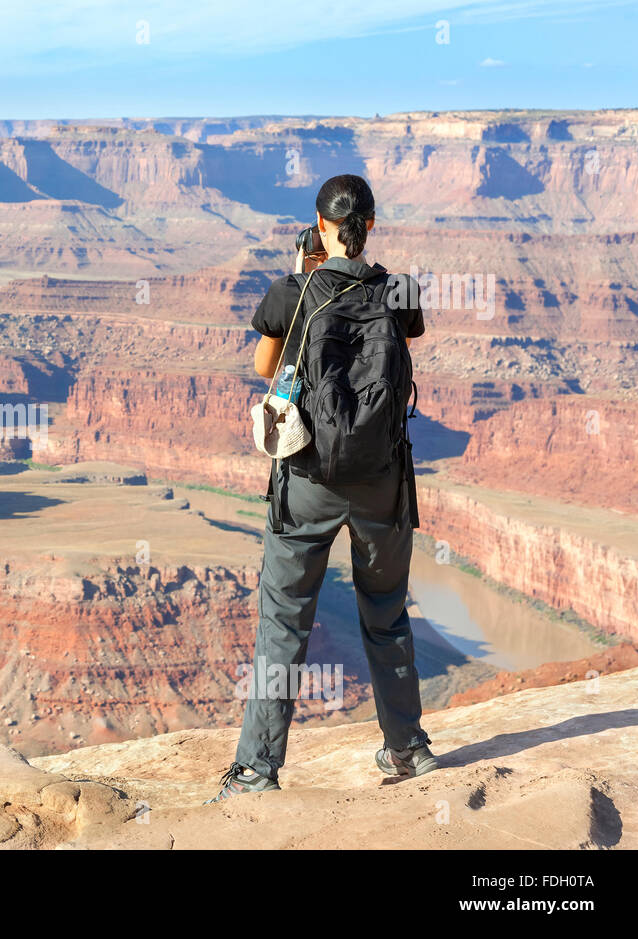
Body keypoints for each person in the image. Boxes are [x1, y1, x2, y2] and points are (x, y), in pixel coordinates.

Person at [211, 174, 437, 803]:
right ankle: (407, 749)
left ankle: (257, 770)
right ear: (371, 223)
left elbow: (264, 368)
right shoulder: (402, 289)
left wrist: (307, 272)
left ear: (319, 223)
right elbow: (406, 335)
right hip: (382, 484)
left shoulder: (294, 290)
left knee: (283, 623)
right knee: (387, 616)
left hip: (307, 479)